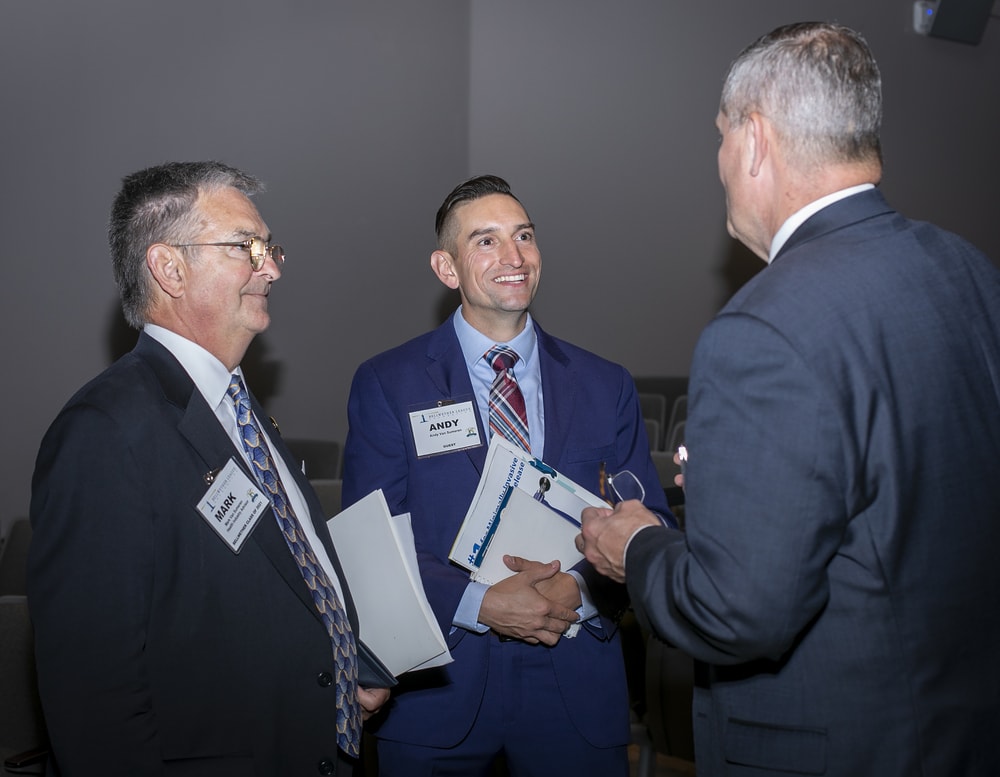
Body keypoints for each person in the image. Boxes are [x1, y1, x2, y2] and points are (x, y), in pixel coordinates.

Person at [579, 21, 1000, 776]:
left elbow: (737, 609)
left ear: (754, 140)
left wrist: (636, 545)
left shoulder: (762, 326)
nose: (718, 163)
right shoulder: (969, 271)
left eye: (719, 137)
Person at [28, 161, 389, 777]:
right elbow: (94, 698)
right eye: (244, 247)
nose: (270, 266)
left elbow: (269, 582)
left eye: (268, 246)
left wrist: (342, 665)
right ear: (169, 268)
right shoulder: (104, 430)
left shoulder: (240, 410)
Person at [342, 174, 673, 775]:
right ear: (447, 268)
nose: (514, 257)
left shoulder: (605, 385)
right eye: (486, 241)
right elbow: (374, 545)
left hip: (574, 678)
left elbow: (651, 527)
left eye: (523, 236)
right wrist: (479, 603)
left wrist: (582, 590)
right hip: (440, 689)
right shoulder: (389, 384)